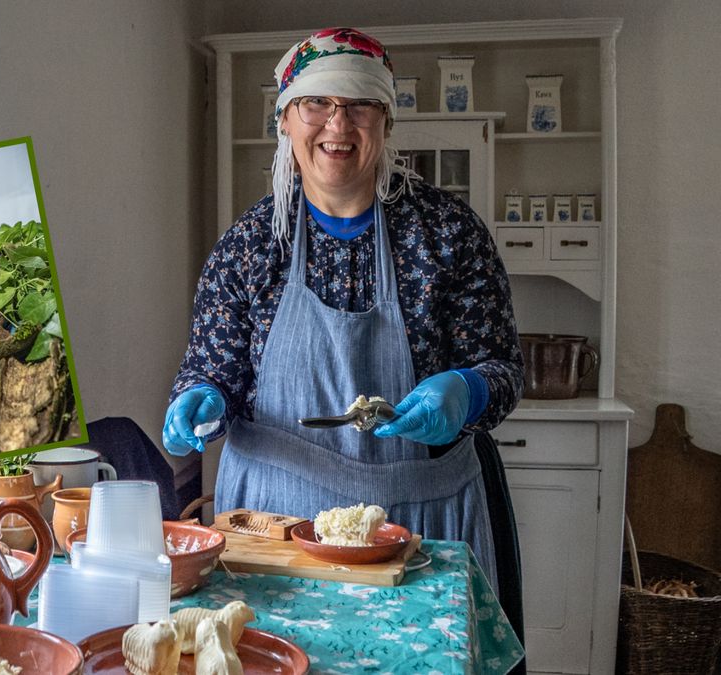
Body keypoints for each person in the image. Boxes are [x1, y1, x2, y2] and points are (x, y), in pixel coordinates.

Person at [163, 27, 526, 643]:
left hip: (417, 528)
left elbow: (504, 369)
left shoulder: (448, 234)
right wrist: (201, 398)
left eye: (359, 106)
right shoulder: (250, 246)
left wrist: (466, 389)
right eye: (316, 104)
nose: (338, 124)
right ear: (285, 120)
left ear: (385, 122)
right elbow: (213, 367)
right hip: (273, 527)